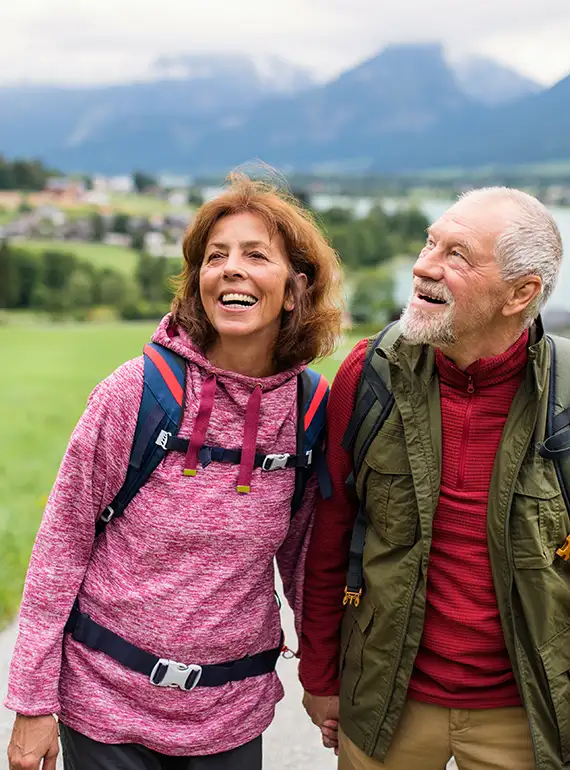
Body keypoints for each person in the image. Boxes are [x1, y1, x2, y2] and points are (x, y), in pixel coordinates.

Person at [5, 173, 343, 770]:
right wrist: (32, 701)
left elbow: (305, 563)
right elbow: (61, 545)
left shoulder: (309, 412)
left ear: (294, 290)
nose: (231, 269)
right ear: (198, 283)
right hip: (105, 702)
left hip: (230, 712)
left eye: (255, 255)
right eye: (216, 257)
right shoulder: (135, 393)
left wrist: (322, 677)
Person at [300, 187, 569, 769]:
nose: (424, 265)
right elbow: (331, 533)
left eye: (458, 254)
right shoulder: (367, 376)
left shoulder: (568, 396)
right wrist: (320, 673)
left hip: (527, 714)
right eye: (430, 242)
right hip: (386, 701)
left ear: (520, 293)